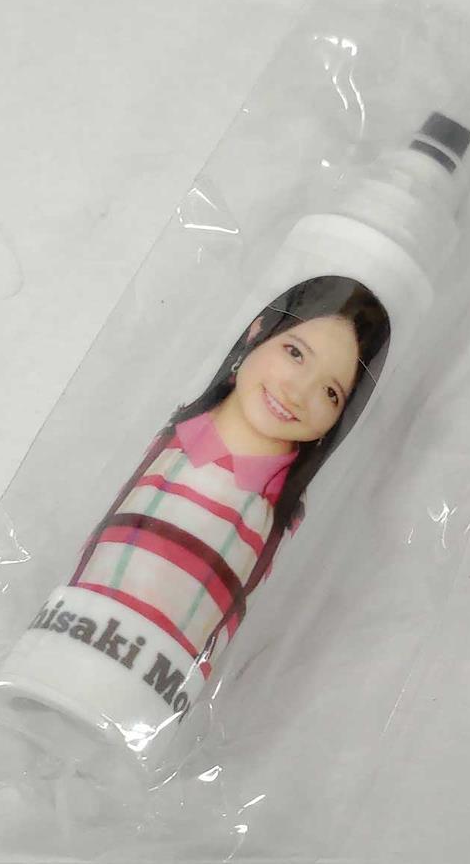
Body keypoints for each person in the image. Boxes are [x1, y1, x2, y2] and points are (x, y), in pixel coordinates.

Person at [68, 276, 390, 673]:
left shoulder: (278, 511)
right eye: (295, 353)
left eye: (331, 392)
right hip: (65, 640)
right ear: (257, 332)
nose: (297, 391)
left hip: (153, 686)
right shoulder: (170, 441)